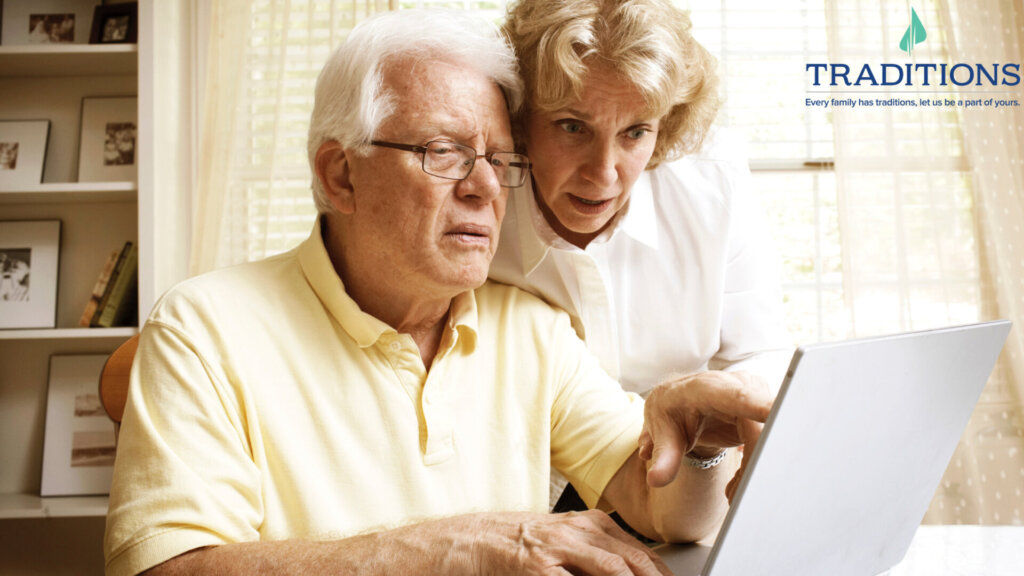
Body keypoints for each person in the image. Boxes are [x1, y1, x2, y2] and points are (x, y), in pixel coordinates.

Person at [103, 10, 772, 576]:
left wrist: (702, 441)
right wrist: (443, 549)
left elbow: (664, 506)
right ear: (341, 175)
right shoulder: (205, 326)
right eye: (444, 152)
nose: (485, 188)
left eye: (501, 160)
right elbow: (169, 568)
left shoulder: (530, 329)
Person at [490, 0, 794, 509]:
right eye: (572, 126)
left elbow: (760, 350)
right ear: (520, 120)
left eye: (635, 132)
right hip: (518, 500)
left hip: (682, 490)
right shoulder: (476, 200)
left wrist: (739, 399)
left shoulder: (712, 185)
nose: (603, 173)